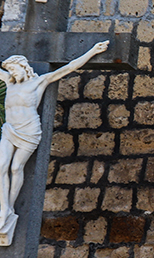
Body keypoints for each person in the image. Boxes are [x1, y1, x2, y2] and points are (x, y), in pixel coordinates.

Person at [0, 41, 109, 243]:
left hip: (28, 131)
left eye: (14, 69)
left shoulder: (39, 82)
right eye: (10, 71)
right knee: (1, 166)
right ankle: (4, 209)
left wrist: (93, 51)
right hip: (9, 129)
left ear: (23, 66)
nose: (12, 73)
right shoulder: (9, 82)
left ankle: (9, 208)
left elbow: (69, 68)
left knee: (15, 168)